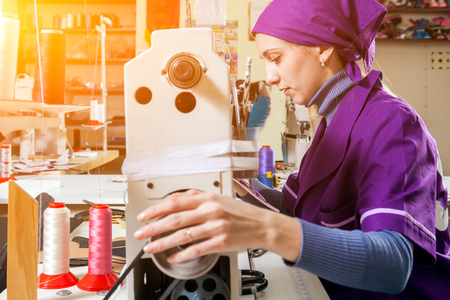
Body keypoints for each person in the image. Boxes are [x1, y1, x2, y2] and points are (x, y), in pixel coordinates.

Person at [133, 0, 450, 298]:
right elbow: (290, 207)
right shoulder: (332, 122)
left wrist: (264, 229)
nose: (269, 77)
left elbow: (392, 264)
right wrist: (239, 186)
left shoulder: (391, 123)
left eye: (275, 58)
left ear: (323, 47)